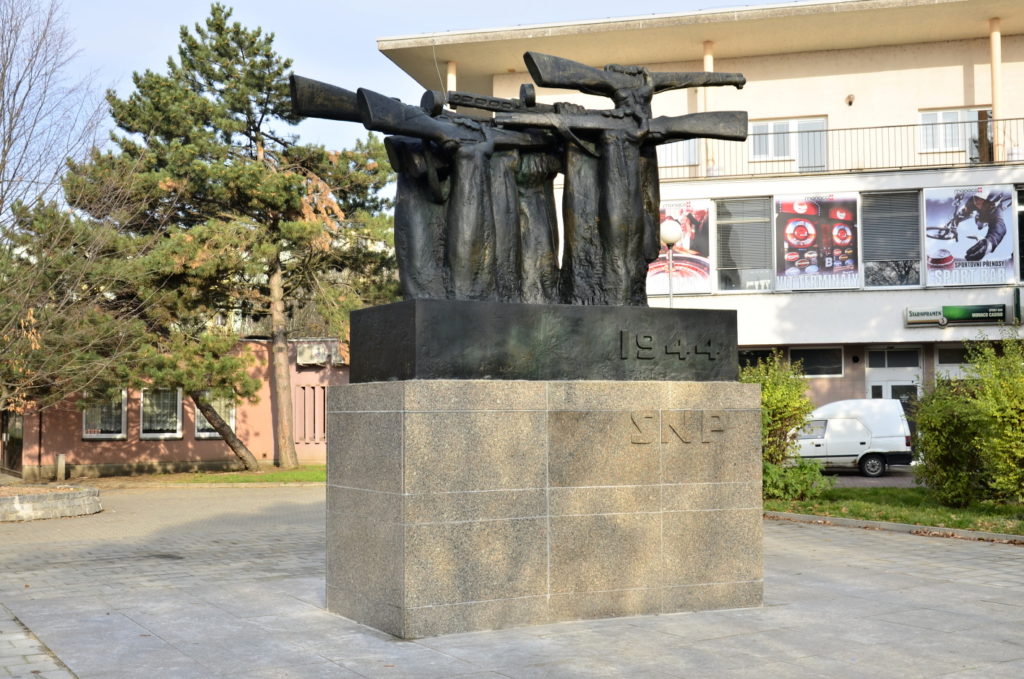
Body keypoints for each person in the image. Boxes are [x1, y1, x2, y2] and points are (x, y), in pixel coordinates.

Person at [954, 191, 1010, 261]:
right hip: (980, 213)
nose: (976, 202)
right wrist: (957, 218)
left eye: (980, 200)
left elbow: (1000, 229)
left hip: (987, 216)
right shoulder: (973, 201)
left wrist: (989, 243)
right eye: (976, 199)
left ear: (991, 204)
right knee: (967, 212)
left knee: (980, 223)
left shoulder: (996, 212)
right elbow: (967, 206)